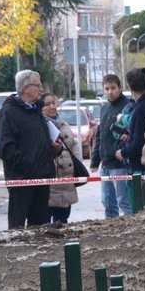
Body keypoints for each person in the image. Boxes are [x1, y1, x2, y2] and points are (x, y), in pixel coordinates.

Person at [0, 69, 54, 228]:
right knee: (17, 229)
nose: (41, 89)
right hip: (21, 181)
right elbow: (4, 147)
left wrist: (53, 149)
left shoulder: (37, 111)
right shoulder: (9, 112)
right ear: (26, 88)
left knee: (42, 229)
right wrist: (28, 166)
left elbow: (38, 142)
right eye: (38, 85)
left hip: (41, 179)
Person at [90, 74, 131, 218]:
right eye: (106, 88)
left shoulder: (127, 106)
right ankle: (111, 231)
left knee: (124, 202)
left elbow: (132, 132)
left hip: (120, 163)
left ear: (120, 88)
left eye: (113, 88)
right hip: (105, 164)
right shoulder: (105, 107)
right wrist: (95, 160)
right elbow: (100, 135)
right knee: (107, 202)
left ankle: (131, 231)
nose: (110, 92)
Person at [41, 92, 81, 224]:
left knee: (63, 218)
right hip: (51, 180)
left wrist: (77, 162)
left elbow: (73, 145)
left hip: (67, 179)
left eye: (54, 103)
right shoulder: (39, 125)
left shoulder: (63, 123)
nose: (52, 106)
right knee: (46, 219)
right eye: (48, 104)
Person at [116, 68, 145, 179]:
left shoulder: (140, 108)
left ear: (130, 87)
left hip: (142, 166)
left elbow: (139, 141)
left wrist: (123, 152)